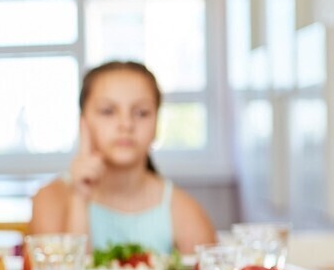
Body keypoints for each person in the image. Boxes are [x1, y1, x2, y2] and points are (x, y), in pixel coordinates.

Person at [29, 61, 216, 255]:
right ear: (83, 122)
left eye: (142, 113)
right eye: (108, 111)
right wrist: (79, 199)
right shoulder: (49, 200)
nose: (126, 124)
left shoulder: (185, 211)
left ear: (157, 124)